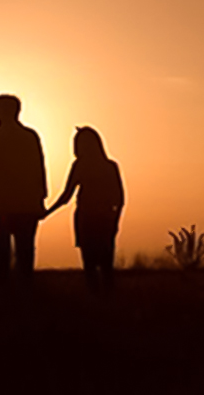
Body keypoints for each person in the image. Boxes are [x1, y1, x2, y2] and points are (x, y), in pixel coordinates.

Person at [0, 95, 47, 293]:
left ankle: (2, 295)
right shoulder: (30, 137)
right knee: (25, 254)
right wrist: (40, 200)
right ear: (18, 111)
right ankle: (25, 295)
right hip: (26, 204)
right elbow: (39, 171)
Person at [45, 126, 124, 295]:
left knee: (91, 265)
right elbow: (119, 200)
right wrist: (115, 221)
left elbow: (66, 196)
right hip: (100, 220)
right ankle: (105, 298)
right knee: (105, 264)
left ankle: (97, 297)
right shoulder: (109, 166)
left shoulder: (81, 166)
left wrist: (46, 212)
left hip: (90, 219)